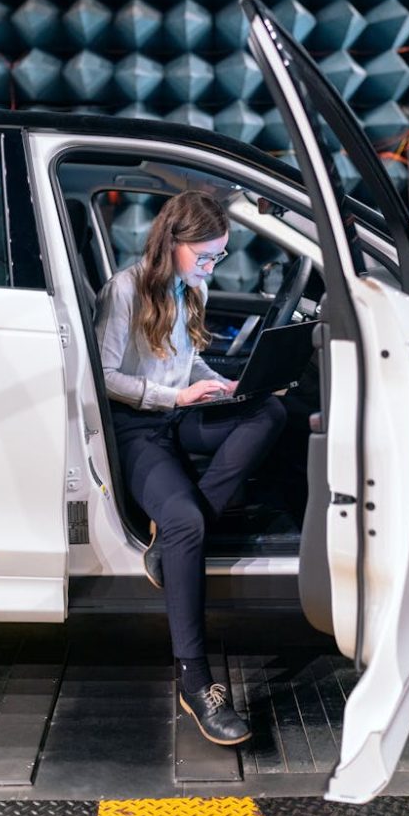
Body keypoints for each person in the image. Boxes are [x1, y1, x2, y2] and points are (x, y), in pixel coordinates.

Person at [95, 190, 286, 745]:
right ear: (172, 242)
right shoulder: (125, 290)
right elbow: (103, 376)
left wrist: (217, 384)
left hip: (179, 412)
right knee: (186, 522)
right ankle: (196, 681)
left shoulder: (190, 287)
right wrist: (173, 399)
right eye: (204, 257)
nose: (209, 268)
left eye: (218, 258)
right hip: (136, 425)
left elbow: (182, 356)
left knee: (268, 410)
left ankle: (173, 541)